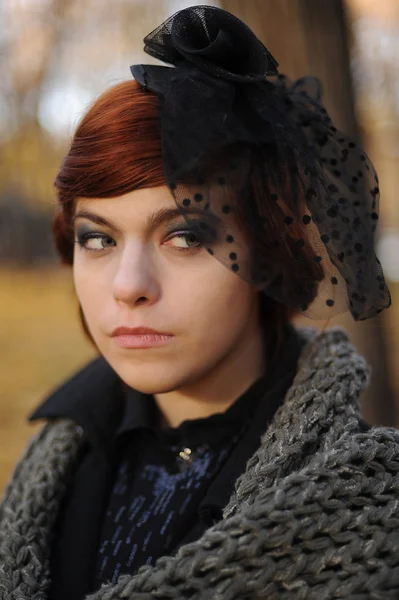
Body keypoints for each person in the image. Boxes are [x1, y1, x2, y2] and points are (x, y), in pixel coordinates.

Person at [0, 5, 397, 600]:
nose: (128, 285)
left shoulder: (372, 507)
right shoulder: (46, 470)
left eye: (186, 236)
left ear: (267, 253)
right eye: (98, 238)